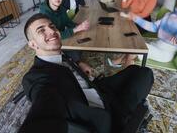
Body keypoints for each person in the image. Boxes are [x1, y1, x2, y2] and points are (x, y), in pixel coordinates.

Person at [19, 13, 154, 133]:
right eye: (41, 30)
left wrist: (79, 64)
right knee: (133, 99)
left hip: (100, 89)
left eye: (52, 26)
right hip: (97, 116)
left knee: (144, 73)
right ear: (32, 44)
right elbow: (44, 106)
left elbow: (65, 66)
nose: (51, 31)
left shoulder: (61, 54)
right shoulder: (35, 78)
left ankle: (123, 112)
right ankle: (122, 118)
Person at [39, 0, 91, 71]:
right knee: (75, 50)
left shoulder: (61, 8)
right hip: (50, 42)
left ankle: (73, 60)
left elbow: (68, 22)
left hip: (60, 38)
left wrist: (79, 26)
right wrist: (76, 29)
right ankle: (76, 63)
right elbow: (54, 35)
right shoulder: (44, 15)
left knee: (80, 43)